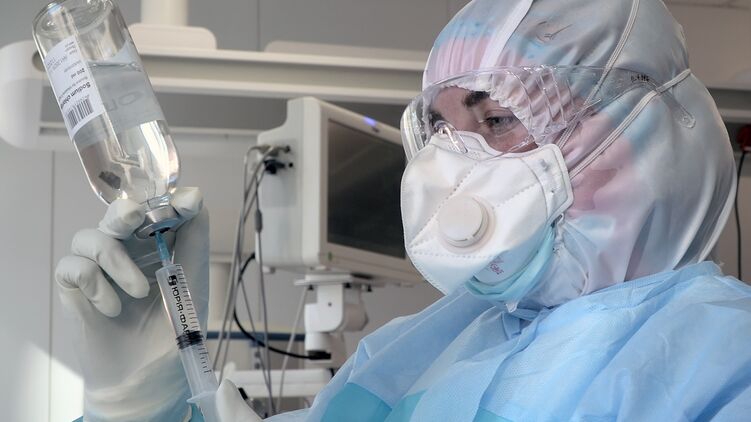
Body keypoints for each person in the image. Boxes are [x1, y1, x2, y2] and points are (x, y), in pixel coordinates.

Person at [57, 0, 751, 420]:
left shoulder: (726, 361)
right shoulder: (416, 352)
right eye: (443, 129)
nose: (454, 168)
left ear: (641, 132)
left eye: (498, 118)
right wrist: (136, 405)